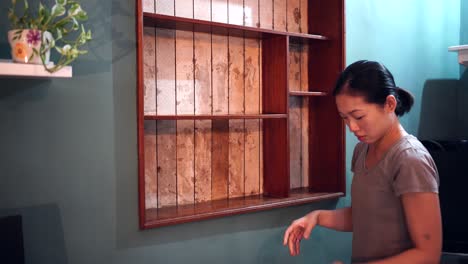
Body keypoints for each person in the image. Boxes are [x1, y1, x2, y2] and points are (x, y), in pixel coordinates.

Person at [283, 60, 442, 264]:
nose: (352, 127)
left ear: (390, 104)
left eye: (358, 116)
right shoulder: (362, 150)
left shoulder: (410, 159)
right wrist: (316, 217)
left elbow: (428, 255)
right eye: (345, 118)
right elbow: (367, 216)